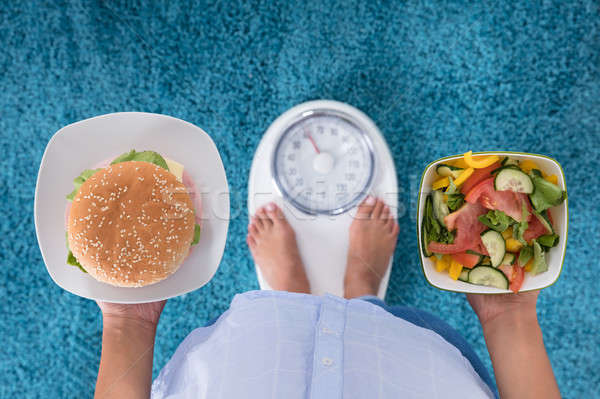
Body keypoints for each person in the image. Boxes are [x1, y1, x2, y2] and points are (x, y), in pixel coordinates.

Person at [94, 197, 561, 398]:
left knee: (277, 327)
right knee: (385, 328)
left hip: (248, 363)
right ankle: (362, 289)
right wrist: (508, 319)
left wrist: (127, 325)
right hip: (408, 370)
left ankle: (288, 295)